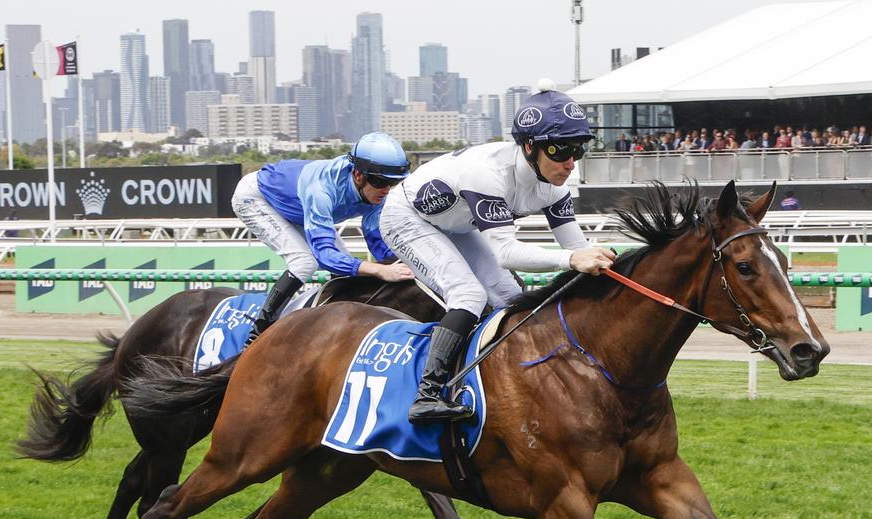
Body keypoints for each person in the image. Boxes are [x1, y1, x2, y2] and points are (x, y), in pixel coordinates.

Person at [380, 81, 615, 423]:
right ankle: (427, 395)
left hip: (457, 224)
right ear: (531, 146)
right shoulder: (489, 174)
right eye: (561, 152)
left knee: (510, 295)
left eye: (577, 151)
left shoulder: (555, 186)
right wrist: (572, 259)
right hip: (406, 217)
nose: (570, 163)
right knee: (469, 294)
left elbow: (579, 248)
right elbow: (507, 253)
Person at [232, 132, 415, 345]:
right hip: (255, 199)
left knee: (346, 270)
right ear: (358, 175)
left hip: (298, 208)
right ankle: (259, 331)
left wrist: (398, 267)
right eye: (380, 181)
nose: (385, 190)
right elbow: (325, 256)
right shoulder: (321, 190)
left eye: (392, 183)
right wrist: (379, 270)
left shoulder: (376, 193)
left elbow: (377, 242)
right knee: (304, 262)